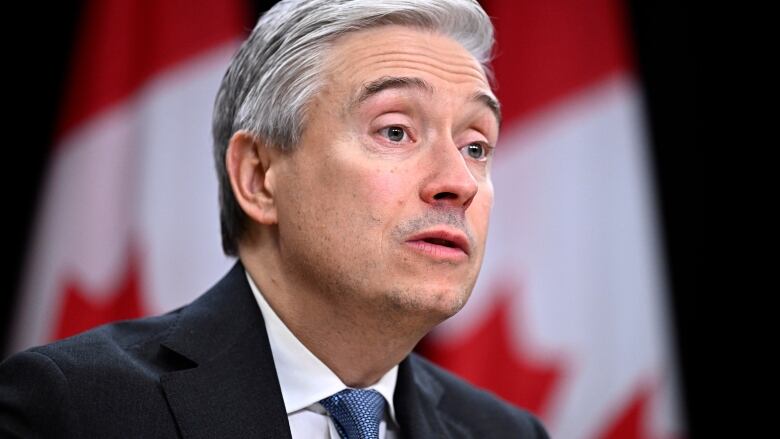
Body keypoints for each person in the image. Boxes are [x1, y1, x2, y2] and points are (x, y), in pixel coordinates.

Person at [0, 0, 549, 437]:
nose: (459, 182)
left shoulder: (507, 431)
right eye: (395, 131)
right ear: (259, 177)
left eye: (476, 146)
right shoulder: (72, 408)